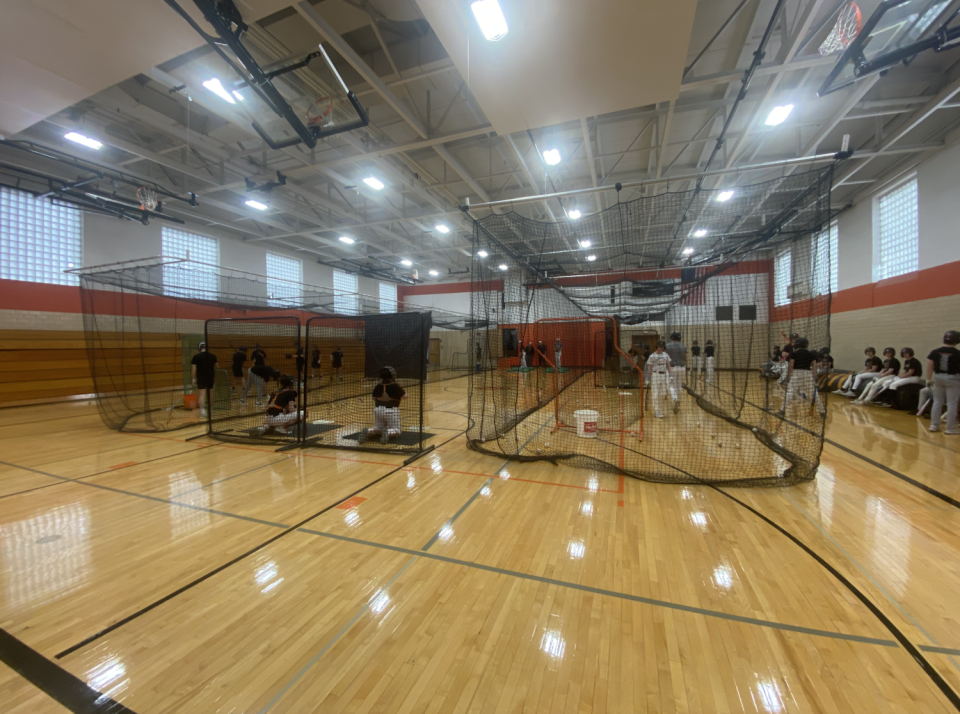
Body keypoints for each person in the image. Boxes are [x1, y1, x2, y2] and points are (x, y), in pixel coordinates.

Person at [359, 366, 406, 445]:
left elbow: (374, 398)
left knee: (378, 428)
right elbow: (405, 396)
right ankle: (388, 432)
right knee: (397, 430)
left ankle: (368, 431)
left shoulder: (378, 386)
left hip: (378, 410)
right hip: (391, 411)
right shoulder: (395, 385)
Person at [926, 330, 960, 434]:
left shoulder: (935, 351)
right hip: (953, 379)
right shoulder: (957, 353)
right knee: (952, 403)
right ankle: (950, 428)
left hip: (938, 378)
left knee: (937, 402)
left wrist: (928, 378)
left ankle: (934, 425)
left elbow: (930, 365)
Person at [779, 337, 824, 415]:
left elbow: (791, 365)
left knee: (790, 393)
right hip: (808, 374)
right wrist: (815, 376)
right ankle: (822, 412)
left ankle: (782, 410)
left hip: (796, 373)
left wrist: (789, 376)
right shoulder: (811, 354)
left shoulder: (794, 353)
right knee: (814, 394)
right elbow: (814, 366)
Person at [646, 341, 678, 418]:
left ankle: (675, 399)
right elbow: (649, 368)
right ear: (656, 347)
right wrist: (647, 378)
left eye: (662, 347)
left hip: (664, 375)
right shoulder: (652, 356)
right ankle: (657, 411)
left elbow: (668, 366)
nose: (661, 348)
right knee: (655, 394)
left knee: (663, 393)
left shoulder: (665, 355)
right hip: (655, 375)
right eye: (659, 346)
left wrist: (670, 374)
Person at [190, 342, 218, 418]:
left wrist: (193, 379)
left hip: (201, 378)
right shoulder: (213, 356)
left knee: (202, 395)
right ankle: (210, 410)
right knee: (210, 394)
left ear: (199, 348)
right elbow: (217, 366)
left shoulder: (196, 357)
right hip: (210, 377)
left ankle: (202, 412)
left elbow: (193, 369)